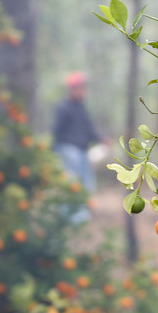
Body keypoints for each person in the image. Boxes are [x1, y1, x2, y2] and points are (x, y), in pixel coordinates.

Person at [52, 70, 101, 219]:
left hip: (82, 151)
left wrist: (100, 139)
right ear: (72, 89)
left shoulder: (81, 107)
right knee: (71, 185)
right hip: (69, 151)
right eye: (79, 87)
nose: (82, 91)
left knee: (86, 184)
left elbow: (88, 130)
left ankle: (81, 216)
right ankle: (69, 216)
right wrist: (58, 150)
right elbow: (56, 131)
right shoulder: (63, 107)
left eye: (83, 87)